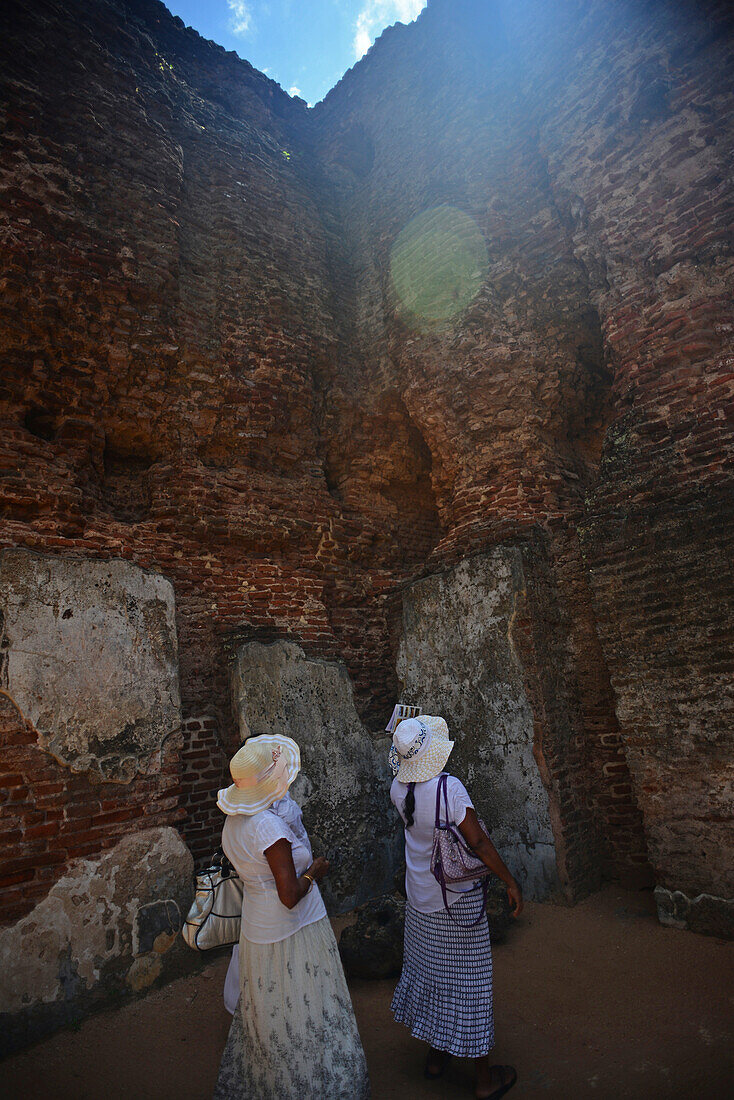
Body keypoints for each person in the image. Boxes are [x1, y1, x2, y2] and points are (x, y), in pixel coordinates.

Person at [213, 734, 370, 1100]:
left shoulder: (235, 821)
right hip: (292, 929)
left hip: (257, 926)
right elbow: (289, 896)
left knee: (273, 1014)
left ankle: (275, 1081)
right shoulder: (268, 829)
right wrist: (315, 870)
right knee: (307, 1009)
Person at [389, 715, 523, 1100]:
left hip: (420, 900)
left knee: (432, 975)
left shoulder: (398, 788)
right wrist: (509, 881)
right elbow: (478, 844)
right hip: (455, 903)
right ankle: (483, 1081)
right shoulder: (450, 789)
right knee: (471, 985)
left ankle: (435, 1058)